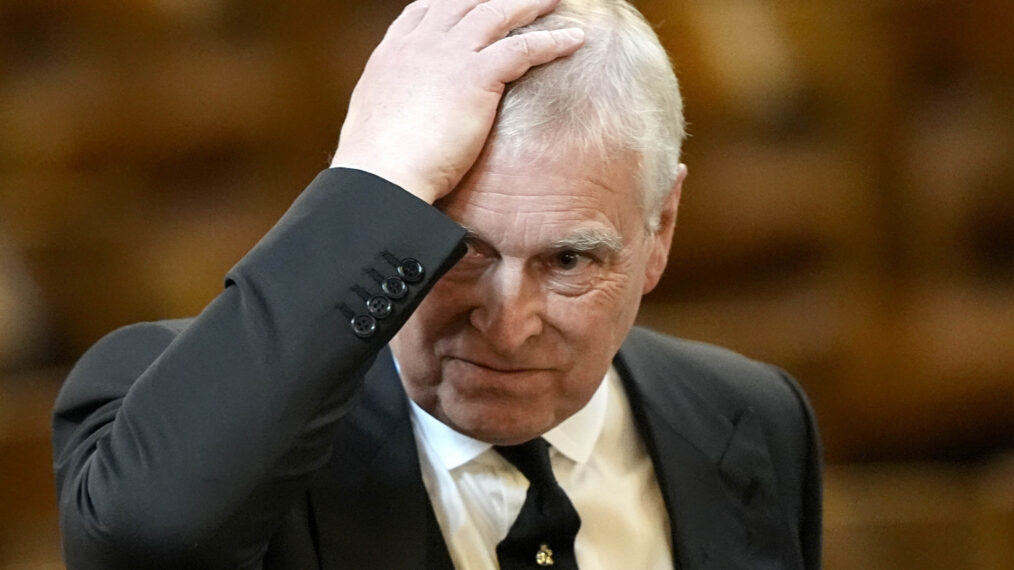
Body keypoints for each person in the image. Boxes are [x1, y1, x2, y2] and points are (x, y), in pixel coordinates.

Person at [52, 0, 821, 568]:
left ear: (661, 231)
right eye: (463, 252)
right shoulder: (198, 419)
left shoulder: (752, 420)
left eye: (568, 262)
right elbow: (142, 542)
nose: (510, 325)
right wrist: (372, 175)